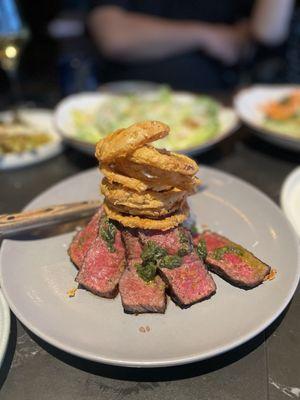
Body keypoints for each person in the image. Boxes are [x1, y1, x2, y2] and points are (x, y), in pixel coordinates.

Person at [88, 0, 295, 91]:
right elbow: (114, 37)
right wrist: (205, 35)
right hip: (128, 96)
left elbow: (265, 33)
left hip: (213, 107)